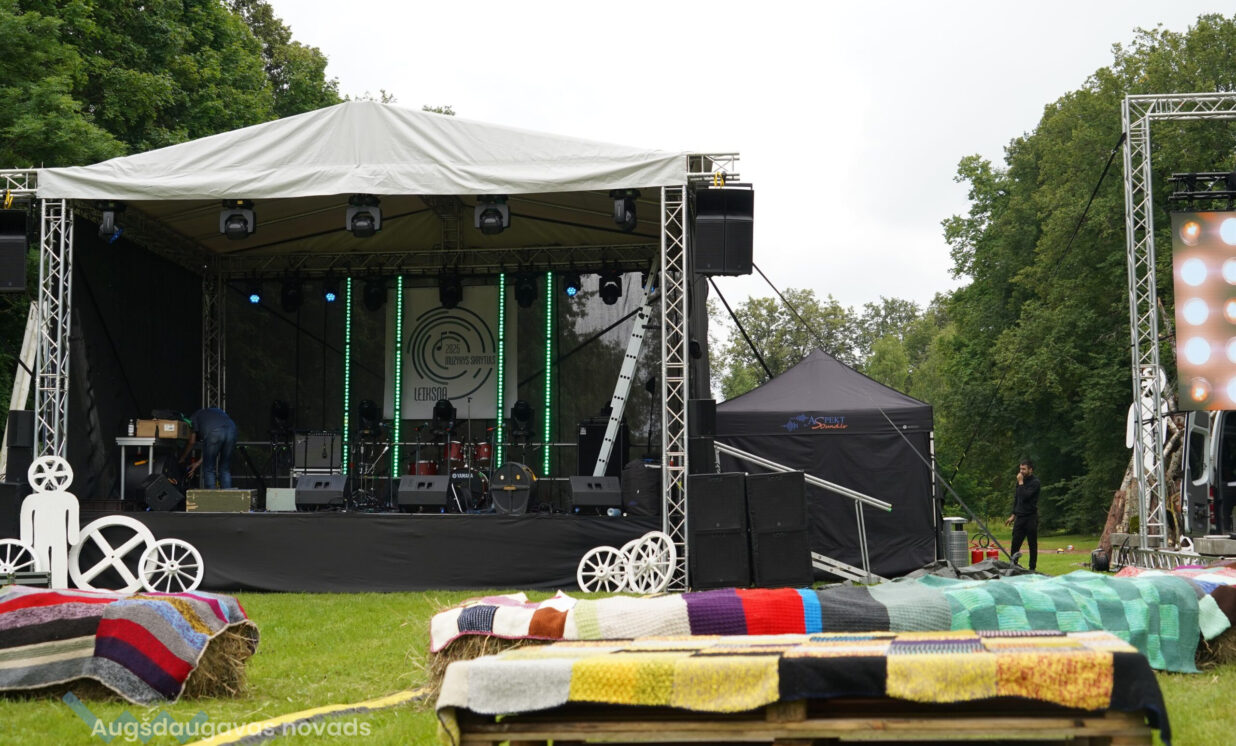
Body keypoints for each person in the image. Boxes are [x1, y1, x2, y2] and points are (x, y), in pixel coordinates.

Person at [181, 407, 238, 489]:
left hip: (214, 433)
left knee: (209, 469)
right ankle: (227, 495)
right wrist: (197, 464)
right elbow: (208, 453)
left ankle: (211, 496)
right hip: (232, 430)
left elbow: (192, 442)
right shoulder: (215, 411)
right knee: (225, 469)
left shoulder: (194, 417)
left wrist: (182, 458)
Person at [1004, 458, 1040, 571]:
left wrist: (1020, 483)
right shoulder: (1020, 482)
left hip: (1030, 517)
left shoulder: (1035, 482)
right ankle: (1013, 566)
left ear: (1030, 470)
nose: (1021, 471)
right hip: (1020, 517)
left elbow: (1025, 497)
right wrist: (1013, 515)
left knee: (1032, 544)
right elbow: (1018, 499)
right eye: (1020, 469)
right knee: (1015, 543)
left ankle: (1032, 568)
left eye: (1024, 469)